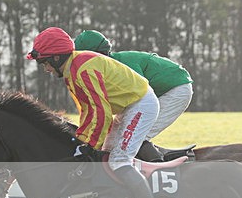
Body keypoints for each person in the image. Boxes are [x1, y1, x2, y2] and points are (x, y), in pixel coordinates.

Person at [26, 27, 159, 198]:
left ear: (57, 58)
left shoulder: (83, 69)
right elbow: (87, 110)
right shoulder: (71, 72)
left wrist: (90, 145)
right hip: (128, 107)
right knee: (105, 154)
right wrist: (82, 140)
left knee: (118, 160)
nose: (46, 69)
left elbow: (101, 110)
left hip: (141, 104)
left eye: (45, 63)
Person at [73, 30, 193, 161]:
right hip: (156, 92)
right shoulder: (103, 68)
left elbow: (140, 97)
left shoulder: (121, 66)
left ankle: (158, 168)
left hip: (176, 88)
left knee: (135, 137)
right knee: (109, 144)